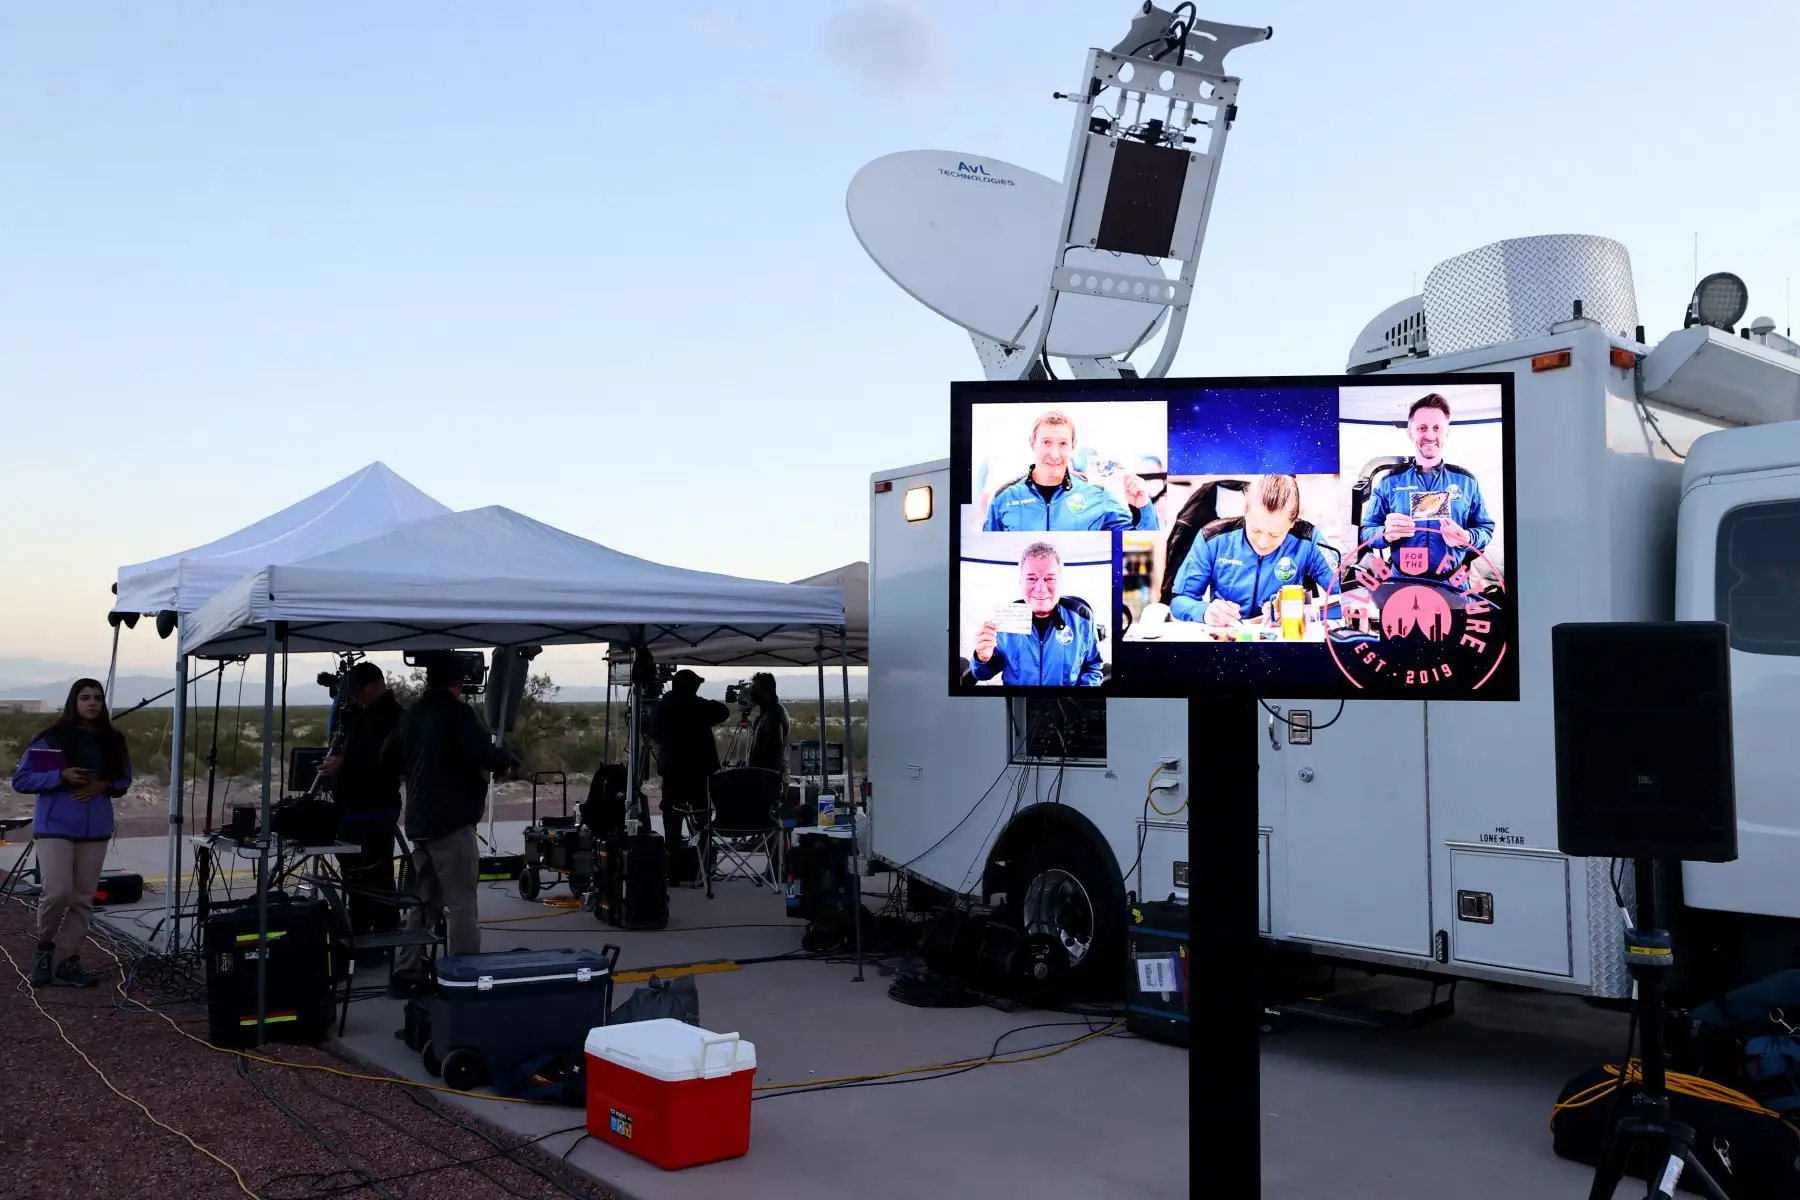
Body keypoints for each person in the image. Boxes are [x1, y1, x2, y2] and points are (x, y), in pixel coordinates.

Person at [381, 655, 517, 998]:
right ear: (459, 681)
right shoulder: (457, 714)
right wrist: (506, 761)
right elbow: (482, 751)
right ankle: (465, 975)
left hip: (421, 823)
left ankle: (407, 970)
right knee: (461, 903)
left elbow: (387, 759)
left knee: (423, 900)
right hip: (451, 822)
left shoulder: (412, 716)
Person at [9, 679, 132, 988]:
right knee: (57, 892)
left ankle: (70, 960)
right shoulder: (51, 738)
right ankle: (45, 948)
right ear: (73, 702)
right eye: (85, 697)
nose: (92, 702)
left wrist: (102, 784)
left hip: (96, 827)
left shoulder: (113, 740)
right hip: (55, 827)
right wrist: (59, 775)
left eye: (97, 698)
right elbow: (22, 779)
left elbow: (123, 779)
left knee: (82, 898)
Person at [319, 662, 405, 961]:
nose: (355, 698)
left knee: (376, 876)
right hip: (354, 808)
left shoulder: (394, 717)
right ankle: (360, 937)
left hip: (376, 809)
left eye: (358, 692)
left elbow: (385, 761)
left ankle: (381, 941)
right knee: (355, 878)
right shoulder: (361, 714)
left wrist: (345, 763)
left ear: (372, 686)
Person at [1170, 474, 1338, 625]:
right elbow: (1179, 600)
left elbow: (1351, 597)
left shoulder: (1308, 539)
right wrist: (1205, 612)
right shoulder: (1212, 538)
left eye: (1275, 534)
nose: (1263, 543)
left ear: (1293, 523)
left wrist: (1304, 610)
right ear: (1245, 512)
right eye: (1256, 530)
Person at [1358, 393, 1496, 575]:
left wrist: (1467, 538)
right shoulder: (1388, 482)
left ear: (1447, 432)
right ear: (1410, 432)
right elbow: (1366, 532)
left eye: (1437, 427)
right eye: (1422, 428)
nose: (1430, 435)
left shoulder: (1467, 481)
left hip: (1453, 583)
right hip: (1403, 582)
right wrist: (1385, 533)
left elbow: (1485, 528)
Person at [983, 411, 1160, 532]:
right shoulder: (1005, 498)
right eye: (1046, 442)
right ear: (1032, 443)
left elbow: (1139, 546)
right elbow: (985, 551)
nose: (1055, 454)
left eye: (1062, 444)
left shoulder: (1096, 495)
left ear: (1073, 445)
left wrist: (1142, 507)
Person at [969, 541, 1106, 687]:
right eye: (1031, 579)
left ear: (1061, 582)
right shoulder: (1006, 620)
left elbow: (1093, 666)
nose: (1040, 588)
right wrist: (982, 658)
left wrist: (1082, 699)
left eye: (1049, 578)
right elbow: (981, 674)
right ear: (1021, 582)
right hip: (1019, 707)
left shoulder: (1081, 618)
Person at [649, 670, 730, 876]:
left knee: (672, 818)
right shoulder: (698, 706)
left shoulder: (663, 706)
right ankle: (704, 865)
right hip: (699, 771)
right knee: (702, 819)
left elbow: (655, 732)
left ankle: (673, 867)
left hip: (673, 771)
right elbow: (723, 712)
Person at [746, 673, 790, 781]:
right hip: (764, 777)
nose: (752, 693)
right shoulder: (767, 714)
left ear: (765, 692)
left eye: (755, 688)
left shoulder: (774, 715)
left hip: (766, 778)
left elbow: (772, 753)